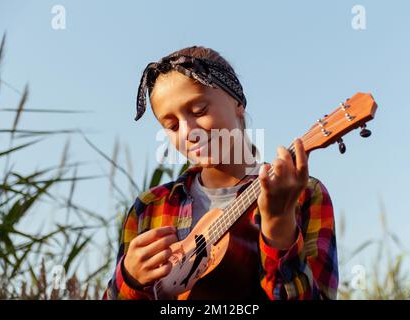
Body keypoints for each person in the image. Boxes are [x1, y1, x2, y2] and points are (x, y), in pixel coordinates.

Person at [103, 46, 338, 300]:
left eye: (199, 111)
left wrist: (280, 228)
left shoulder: (302, 193)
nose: (187, 132)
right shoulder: (149, 208)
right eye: (171, 125)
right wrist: (129, 279)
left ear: (237, 102)